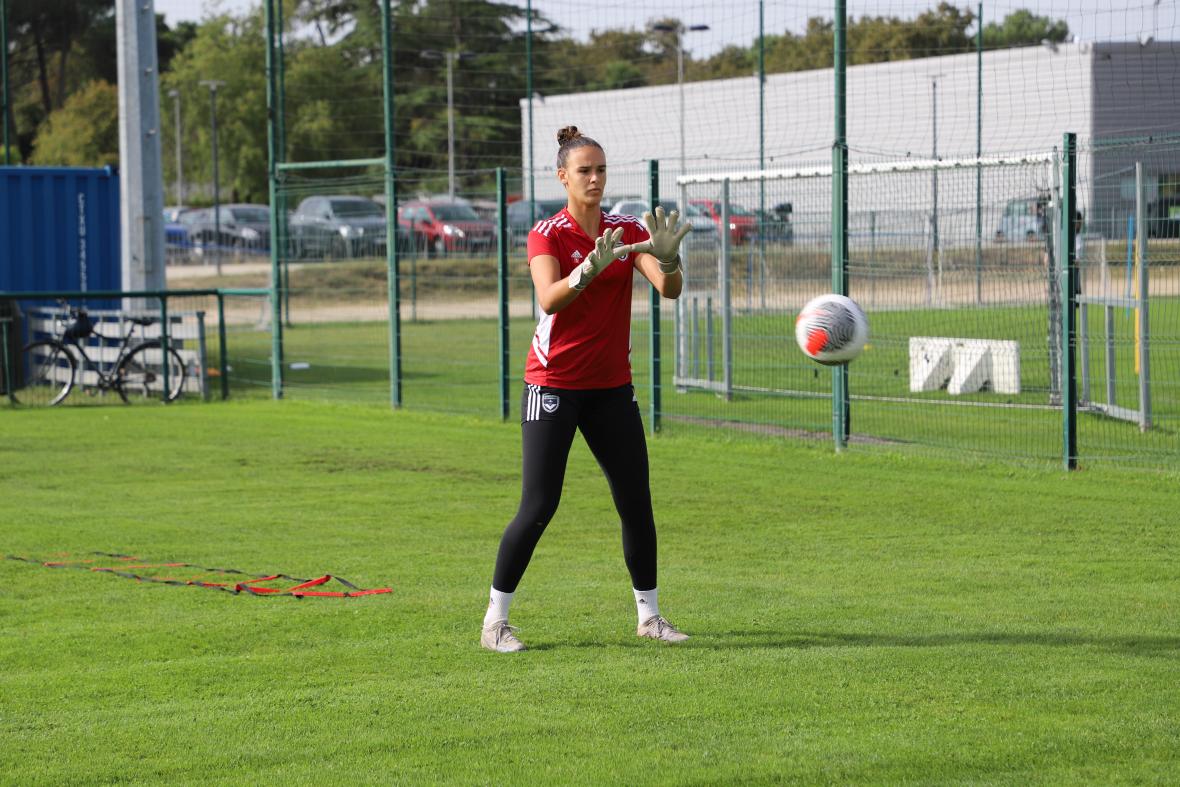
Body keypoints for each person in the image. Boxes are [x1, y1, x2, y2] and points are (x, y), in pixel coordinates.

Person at [480, 126, 692, 653]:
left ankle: (650, 616)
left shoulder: (623, 229)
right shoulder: (546, 233)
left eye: (601, 169)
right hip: (553, 384)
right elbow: (549, 298)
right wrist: (587, 270)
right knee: (538, 506)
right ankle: (495, 623)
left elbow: (669, 289)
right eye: (584, 171)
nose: (595, 179)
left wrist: (667, 257)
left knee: (635, 503)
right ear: (563, 177)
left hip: (610, 388)